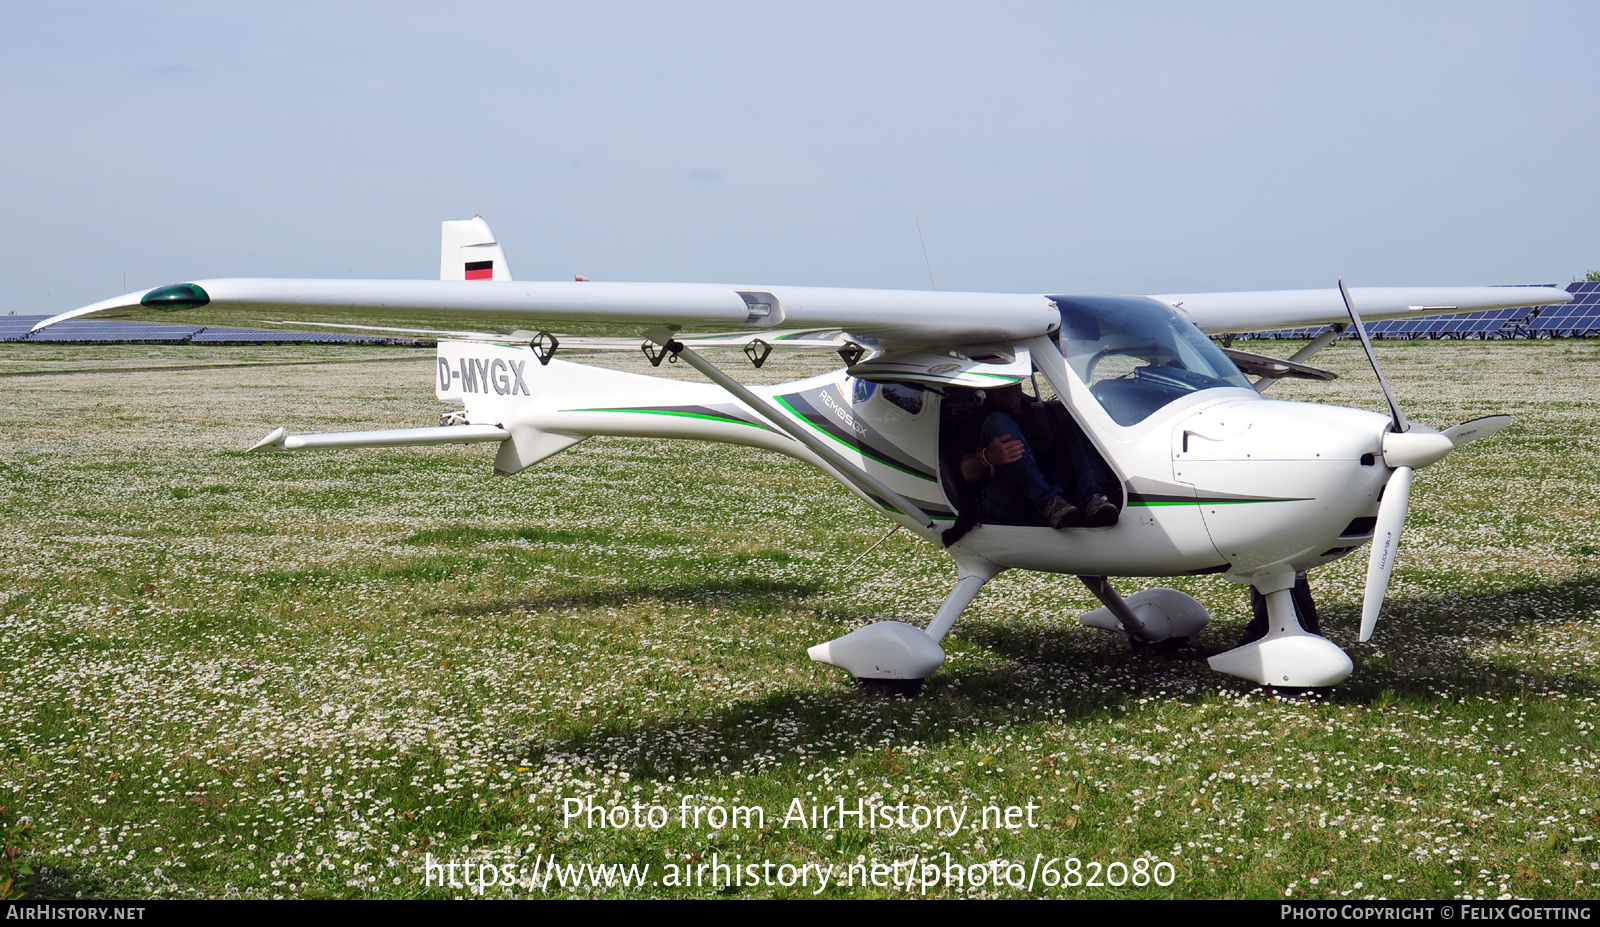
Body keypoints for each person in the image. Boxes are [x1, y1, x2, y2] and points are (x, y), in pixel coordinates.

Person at [960, 382, 1119, 529]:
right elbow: (966, 473)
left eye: (1012, 381)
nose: (1008, 387)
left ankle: (1095, 499)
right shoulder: (977, 419)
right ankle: (1049, 503)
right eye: (1001, 384)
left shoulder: (1037, 411)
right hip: (1009, 500)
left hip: (1052, 488)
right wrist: (986, 457)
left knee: (1077, 419)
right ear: (987, 387)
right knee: (998, 421)